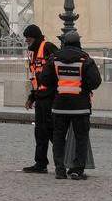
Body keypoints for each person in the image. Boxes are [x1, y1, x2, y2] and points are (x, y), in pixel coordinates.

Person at [37, 31, 102, 181]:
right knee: (81, 139)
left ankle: (60, 169)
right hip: (81, 106)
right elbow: (96, 81)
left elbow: (45, 80)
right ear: (78, 43)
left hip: (60, 105)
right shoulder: (85, 59)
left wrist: (57, 86)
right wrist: (84, 87)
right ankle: (77, 170)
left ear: (64, 42)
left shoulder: (54, 58)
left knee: (58, 138)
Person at [20, 24, 57, 173]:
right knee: (40, 132)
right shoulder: (32, 54)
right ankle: (40, 163)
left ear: (35, 38)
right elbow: (34, 78)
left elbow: (57, 71)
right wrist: (32, 97)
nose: (27, 43)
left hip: (50, 97)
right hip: (40, 97)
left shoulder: (48, 47)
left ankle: (64, 161)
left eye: (29, 40)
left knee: (52, 131)